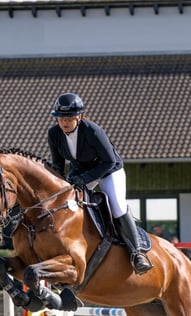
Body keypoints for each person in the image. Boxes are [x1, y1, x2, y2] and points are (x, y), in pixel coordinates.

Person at [47, 92, 152, 275]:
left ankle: (137, 253)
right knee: (66, 204)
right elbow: (58, 165)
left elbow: (109, 161)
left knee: (117, 206)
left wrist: (84, 179)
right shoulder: (54, 134)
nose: (65, 122)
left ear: (79, 116)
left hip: (109, 170)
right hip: (81, 172)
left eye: (69, 118)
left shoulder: (93, 131)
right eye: (61, 118)